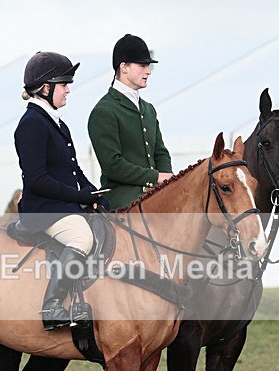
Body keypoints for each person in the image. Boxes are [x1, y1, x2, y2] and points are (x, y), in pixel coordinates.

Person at [15, 51, 106, 330]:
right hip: (41, 210)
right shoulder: (31, 124)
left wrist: (94, 194)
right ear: (45, 88)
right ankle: (52, 307)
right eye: (64, 84)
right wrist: (80, 197)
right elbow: (38, 179)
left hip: (60, 205)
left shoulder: (57, 123)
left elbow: (73, 171)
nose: (68, 89)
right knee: (81, 237)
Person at [88, 34, 173, 209]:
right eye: (142, 65)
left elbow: (160, 152)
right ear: (124, 67)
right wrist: (156, 177)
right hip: (122, 198)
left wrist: (169, 179)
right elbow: (113, 165)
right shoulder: (104, 111)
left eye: (148, 66)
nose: (148, 71)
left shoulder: (149, 109)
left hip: (155, 195)